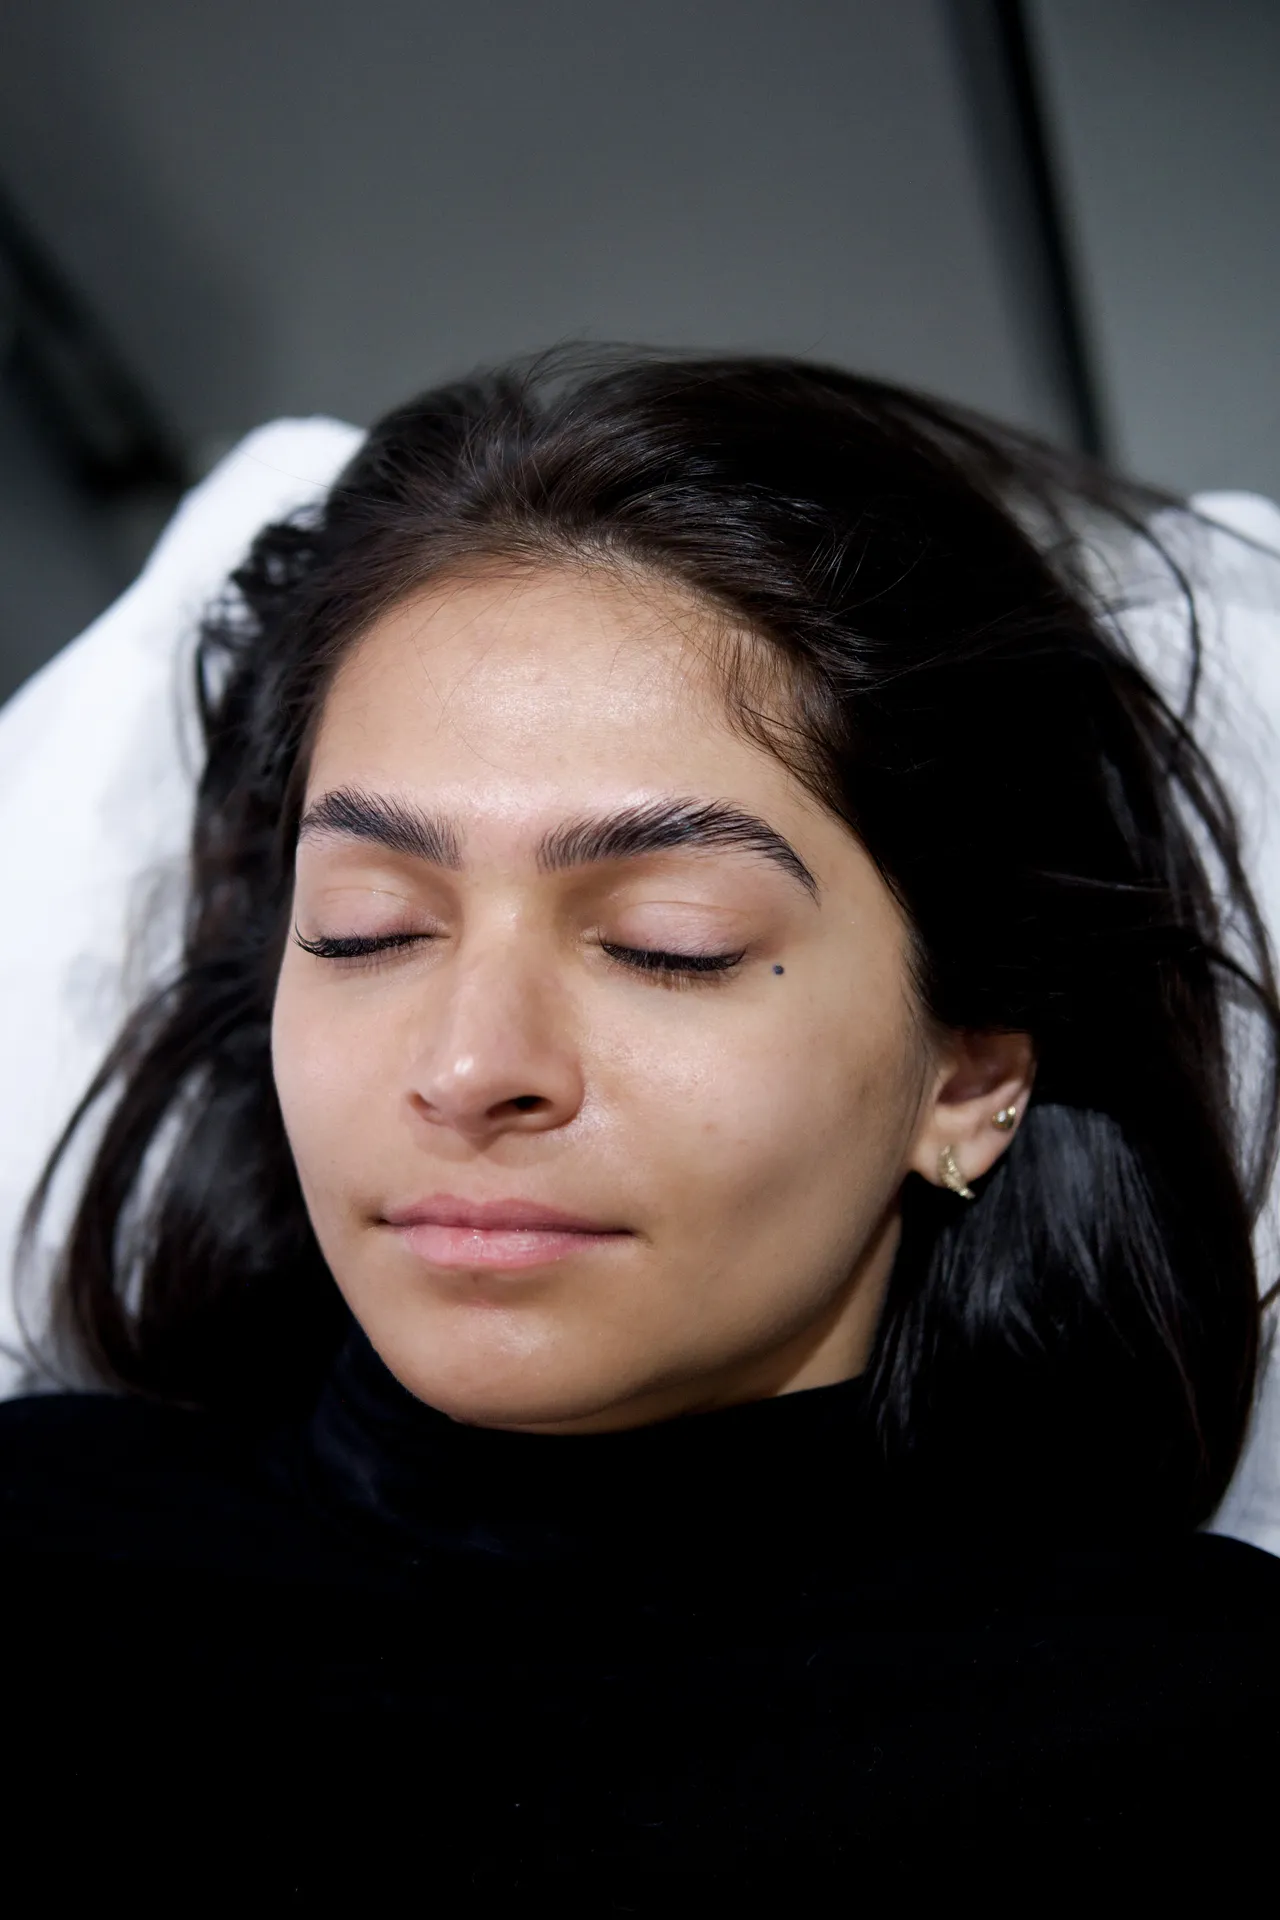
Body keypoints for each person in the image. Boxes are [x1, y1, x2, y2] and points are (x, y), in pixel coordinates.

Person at [2, 347, 1278, 1903]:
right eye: (368, 927)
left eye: (669, 943)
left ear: (965, 1077)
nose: (471, 1064)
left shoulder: (1194, 1729)